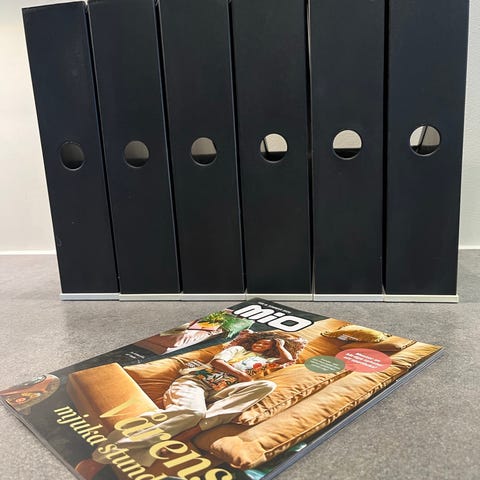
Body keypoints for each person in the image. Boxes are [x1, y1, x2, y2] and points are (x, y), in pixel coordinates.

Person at [76, 331, 306, 479]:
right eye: (259, 341)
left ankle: (196, 427)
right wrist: (241, 374)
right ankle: (100, 458)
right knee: (192, 412)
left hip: (220, 393)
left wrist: (279, 343)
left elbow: (288, 359)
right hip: (196, 382)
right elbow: (218, 361)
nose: (260, 345)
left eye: (266, 345)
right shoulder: (239, 349)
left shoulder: (267, 361)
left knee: (266, 386)